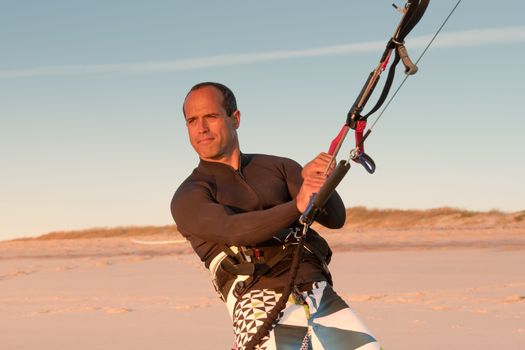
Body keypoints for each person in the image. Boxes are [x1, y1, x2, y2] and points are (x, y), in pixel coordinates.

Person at [171, 82, 381, 350]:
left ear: (235, 119)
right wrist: (297, 205)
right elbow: (232, 228)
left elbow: (335, 218)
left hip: (316, 290)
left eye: (210, 116)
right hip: (256, 298)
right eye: (192, 120)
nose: (201, 128)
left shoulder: (280, 167)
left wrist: (322, 183)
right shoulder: (190, 194)